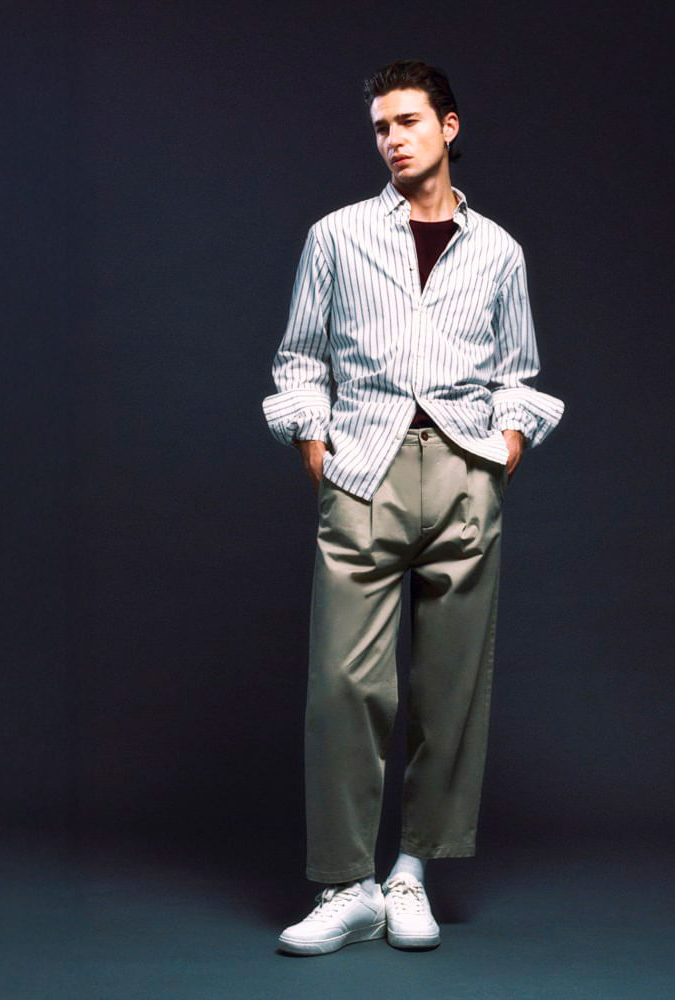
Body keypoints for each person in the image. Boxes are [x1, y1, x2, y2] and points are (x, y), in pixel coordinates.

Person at [262, 59, 564, 955]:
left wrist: (503, 450)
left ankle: (411, 874)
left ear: (449, 127)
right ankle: (346, 884)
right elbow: (298, 360)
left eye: (407, 121)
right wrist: (320, 451)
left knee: (451, 687)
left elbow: (519, 371)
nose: (392, 140)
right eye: (380, 127)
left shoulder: (498, 251)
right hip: (365, 471)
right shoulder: (337, 236)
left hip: (466, 473)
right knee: (345, 685)